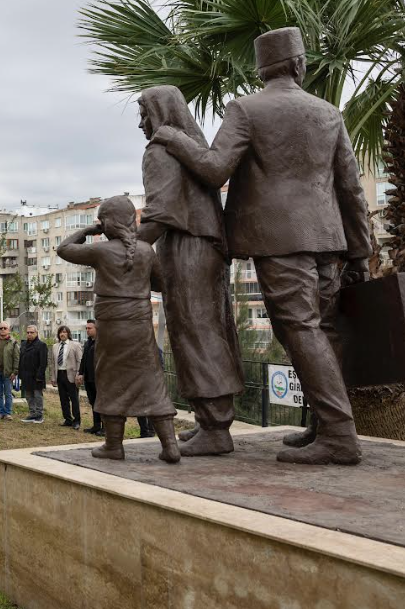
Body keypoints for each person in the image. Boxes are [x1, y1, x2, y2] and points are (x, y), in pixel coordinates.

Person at [151, 27, 368, 465]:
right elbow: (352, 189)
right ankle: (327, 425)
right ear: (299, 64)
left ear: (262, 68)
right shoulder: (328, 113)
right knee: (318, 331)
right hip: (330, 240)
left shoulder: (246, 109)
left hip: (280, 239)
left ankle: (340, 435)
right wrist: (360, 251)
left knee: (300, 330)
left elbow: (214, 170)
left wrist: (174, 137)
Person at [137, 85, 245, 454]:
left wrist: (126, 247)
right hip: (205, 248)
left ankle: (216, 426)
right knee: (208, 328)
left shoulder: (160, 151)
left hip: (187, 248)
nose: (140, 123)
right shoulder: (189, 148)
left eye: (143, 112)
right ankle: (210, 421)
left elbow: (160, 210)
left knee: (195, 331)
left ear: (159, 113)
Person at [57, 195, 181, 463]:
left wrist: (90, 230)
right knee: (152, 379)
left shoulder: (101, 250)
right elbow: (161, 284)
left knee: (111, 379)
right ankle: (170, 445)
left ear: (108, 223)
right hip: (140, 325)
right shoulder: (147, 250)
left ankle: (114, 445)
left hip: (112, 327)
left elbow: (64, 249)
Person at [50, 326, 83, 431]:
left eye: (64, 332)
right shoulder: (55, 346)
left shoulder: (75, 345)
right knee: (63, 399)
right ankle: (67, 419)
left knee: (74, 399)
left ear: (68, 333)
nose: (62, 334)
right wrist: (53, 377)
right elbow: (52, 363)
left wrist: (79, 374)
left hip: (72, 375)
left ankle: (77, 420)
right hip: (60, 374)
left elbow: (79, 361)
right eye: (60, 332)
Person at [19, 324, 48, 424]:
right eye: (28, 332)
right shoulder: (23, 345)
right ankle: (32, 414)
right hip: (26, 375)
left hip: (37, 376)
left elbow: (43, 363)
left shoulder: (41, 345)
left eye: (32, 332)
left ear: (36, 333)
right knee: (28, 396)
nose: (29, 334)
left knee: (37, 395)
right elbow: (21, 360)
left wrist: (39, 376)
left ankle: (39, 415)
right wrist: (20, 374)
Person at [78, 320, 102, 435]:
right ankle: (96, 425)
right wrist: (81, 373)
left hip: (100, 379)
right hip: (89, 379)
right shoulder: (87, 343)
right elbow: (83, 359)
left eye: (90, 328)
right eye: (86, 328)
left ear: (97, 328)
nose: (87, 330)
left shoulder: (102, 342)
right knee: (93, 402)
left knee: (101, 403)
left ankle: (105, 428)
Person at [0, 321, 19, 421]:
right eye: (1, 328)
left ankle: (7, 413)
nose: (3, 330)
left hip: (8, 373)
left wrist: (15, 372)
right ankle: (0, 412)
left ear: (9, 330)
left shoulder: (13, 342)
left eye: (5, 328)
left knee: (8, 393)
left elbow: (17, 358)